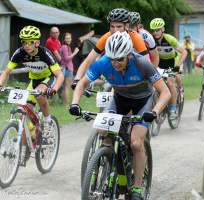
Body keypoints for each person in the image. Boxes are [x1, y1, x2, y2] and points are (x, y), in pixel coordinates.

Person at [69, 32, 171, 200]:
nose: (115, 64)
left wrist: (154, 112)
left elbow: (165, 92)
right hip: (119, 100)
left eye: (120, 59)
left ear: (129, 55)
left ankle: (137, 188)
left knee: (136, 143)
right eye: (112, 59)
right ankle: (109, 163)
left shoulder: (142, 63)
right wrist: (74, 103)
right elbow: (82, 84)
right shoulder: (104, 63)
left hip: (143, 102)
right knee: (104, 132)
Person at [0, 25, 64, 164]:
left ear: (37, 42)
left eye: (30, 42)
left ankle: (47, 123)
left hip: (48, 78)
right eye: (24, 42)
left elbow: (59, 75)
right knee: (22, 110)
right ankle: (25, 146)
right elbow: (6, 72)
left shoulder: (45, 53)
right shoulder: (19, 53)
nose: (27, 45)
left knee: (40, 94)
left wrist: (53, 89)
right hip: (34, 80)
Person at [72, 8, 149, 89]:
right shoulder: (106, 37)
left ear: (126, 26)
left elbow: (146, 63)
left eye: (119, 26)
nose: (115, 30)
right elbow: (88, 60)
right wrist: (77, 79)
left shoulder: (135, 37)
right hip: (115, 70)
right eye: (112, 26)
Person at [149, 18, 187, 119]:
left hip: (172, 63)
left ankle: (173, 109)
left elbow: (184, 52)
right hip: (159, 64)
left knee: (170, 83)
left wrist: (177, 66)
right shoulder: (150, 40)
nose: (155, 32)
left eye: (158, 30)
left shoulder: (170, 39)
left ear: (163, 29)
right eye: (153, 30)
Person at [60, 32, 79, 104]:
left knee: (65, 87)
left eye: (70, 38)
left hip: (65, 68)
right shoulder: (65, 47)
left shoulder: (67, 47)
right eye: (67, 38)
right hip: (67, 69)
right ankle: (66, 103)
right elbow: (66, 59)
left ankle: (64, 102)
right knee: (66, 87)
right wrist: (75, 52)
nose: (69, 40)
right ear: (64, 39)